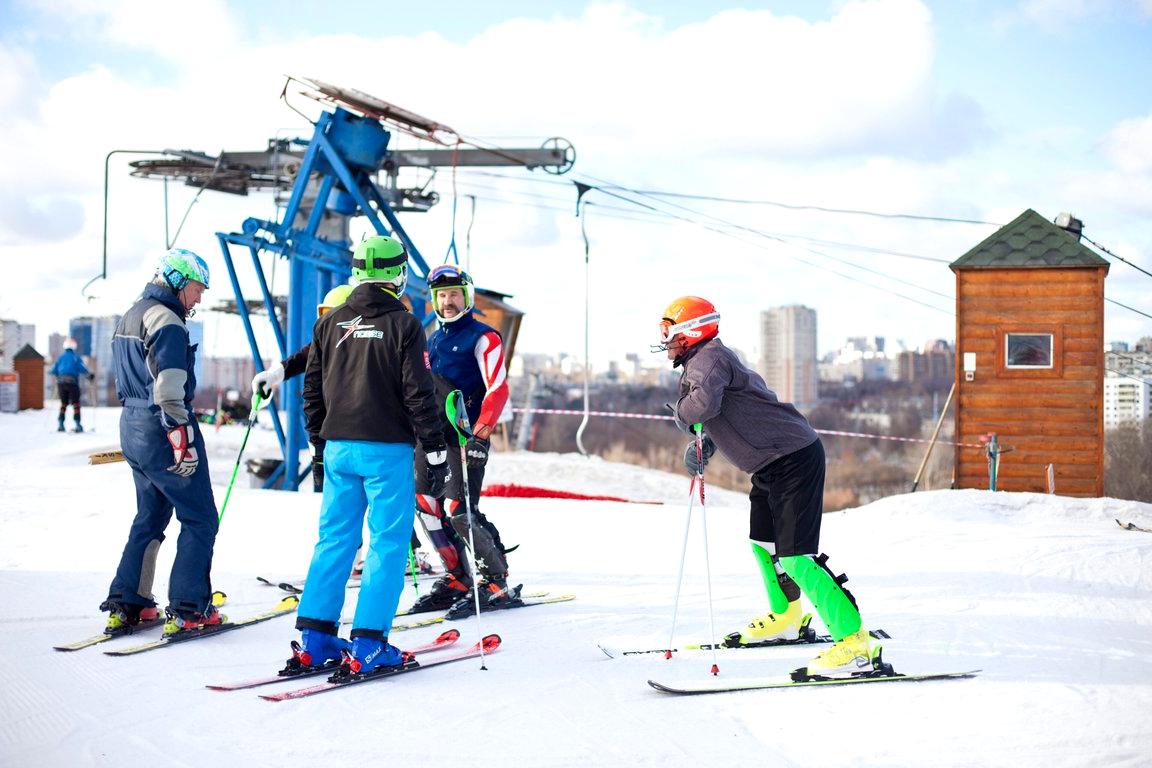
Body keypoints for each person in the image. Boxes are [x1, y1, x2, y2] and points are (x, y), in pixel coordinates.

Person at [660, 296, 881, 679]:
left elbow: (701, 406)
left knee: (797, 557)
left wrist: (682, 415)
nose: (665, 340)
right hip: (770, 464)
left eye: (669, 331)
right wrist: (706, 443)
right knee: (765, 546)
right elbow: (734, 411)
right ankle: (787, 616)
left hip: (793, 459)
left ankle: (854, 642)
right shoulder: (707, 360)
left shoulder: (708, 360)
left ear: (689, 332)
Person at [292, 235, 450, 676]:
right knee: (387, 544)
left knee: (335, 540)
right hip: (386, 450)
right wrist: (435, 449)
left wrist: (318, 445)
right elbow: (419, 393)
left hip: (339, 448)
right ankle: (369, 644)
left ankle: (317, 639)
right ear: (398, 273)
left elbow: (312, 389)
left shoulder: (331, 322)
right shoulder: (405, 324)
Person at [101, 248, 224, 637]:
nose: (198, 298)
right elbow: (170, 388)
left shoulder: (131, 315)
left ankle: (128, 603)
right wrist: (181, 438)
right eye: (195, 288)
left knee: (150, 516)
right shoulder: (167, 320)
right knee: (200, 517)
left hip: (132, 425)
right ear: (174, 281)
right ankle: (189, 608)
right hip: (163, 427)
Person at [407, 263, 518, 620]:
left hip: (464, 438)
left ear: (467, 297)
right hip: (431, 437)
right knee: (426, 505)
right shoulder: (432, 339)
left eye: (454, 294)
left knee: (458, 510)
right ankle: (457, 579)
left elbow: (498, 387)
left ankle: (496, 581)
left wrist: (482, 432)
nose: (448, 301)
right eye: (442, 296)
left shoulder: (484, 337)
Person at [50, 339, 92, 432]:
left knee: (63, 404)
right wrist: (89, 375)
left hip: (61, 383)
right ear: (74, 347)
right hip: (72, 383)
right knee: (76, 403)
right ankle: (77, 424)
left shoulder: (60, 358)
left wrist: (58, 375)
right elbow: (82, 368)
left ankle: (61, 424)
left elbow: (53, 370)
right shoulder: (75, 357)